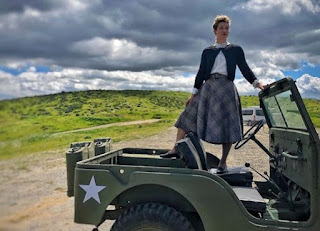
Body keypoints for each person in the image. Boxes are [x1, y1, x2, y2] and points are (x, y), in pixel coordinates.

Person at [165, 15, 265, 173]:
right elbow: (201, 72)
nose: (225, 31)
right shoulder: (207, 52)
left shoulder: (235, 50)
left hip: (226, 89)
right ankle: (175, 150)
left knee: (228, 127)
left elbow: (245, 68)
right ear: (215, 31)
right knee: (187, 116)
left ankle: (222, 164)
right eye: (221, 28)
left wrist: (257, 83)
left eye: (227, 28)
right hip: (208, 88)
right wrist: (193, 94)